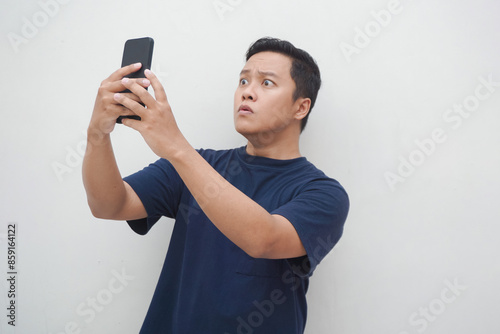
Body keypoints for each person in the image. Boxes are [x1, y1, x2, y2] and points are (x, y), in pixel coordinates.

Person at [82, 37, 349, 334]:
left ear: (301, 107)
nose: (247, 92)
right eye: (243, 81)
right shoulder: (195, 163)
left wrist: (176, 147)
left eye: (267, 83)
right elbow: (108, 205)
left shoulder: (323, 193)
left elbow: (264, 239)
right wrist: (98, 132)